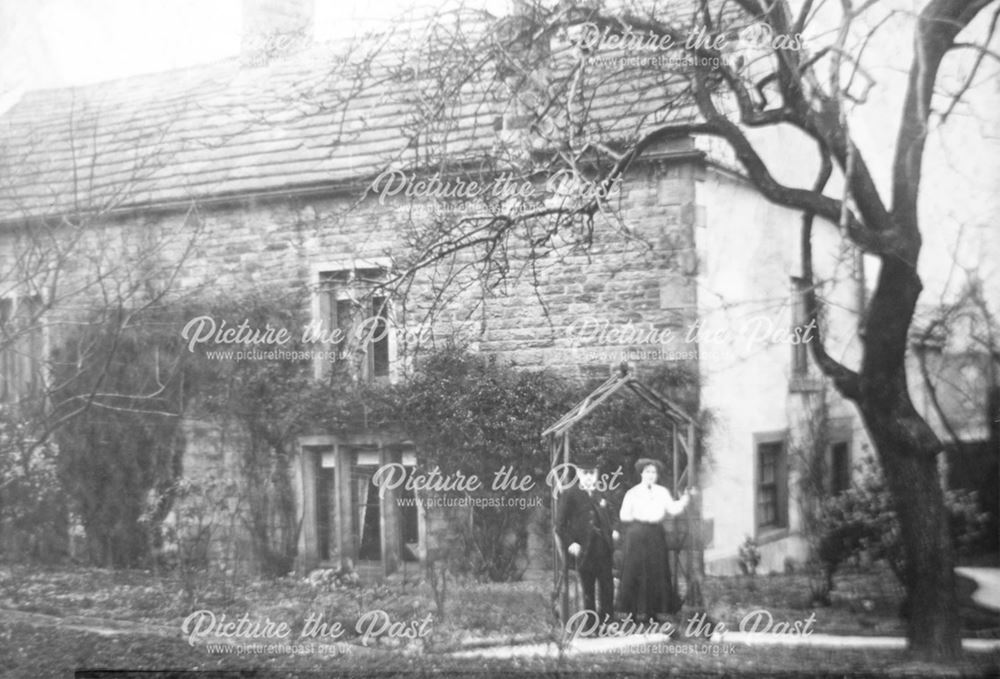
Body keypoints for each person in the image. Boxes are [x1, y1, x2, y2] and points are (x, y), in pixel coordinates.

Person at [618, 457, 694, 622]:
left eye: (654, 472)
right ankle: (634, 614)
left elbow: (673, 509)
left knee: (656, 570)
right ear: (641, 473)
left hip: (655, 534)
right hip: (637, 534)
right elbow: (624, 515)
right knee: (636, 571)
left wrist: (685, 499)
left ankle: (654, 612)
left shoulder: (662, 492)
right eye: (647, 472)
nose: (651, 475)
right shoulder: (633, 493)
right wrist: (640, 518)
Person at [555, 453, 618, 622]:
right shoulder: (570, 494)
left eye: (592, 473)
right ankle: (590, 624)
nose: (589, 477)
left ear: (596, 475)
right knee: (587, 588)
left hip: (603, 548)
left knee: (607, 586)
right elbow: (559, 525)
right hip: (583, 549)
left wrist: (613, 530)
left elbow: (612, 516)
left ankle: (607, 622)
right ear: (579, 474)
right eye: (585, 473)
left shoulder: (601, 493)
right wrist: (570, 543)